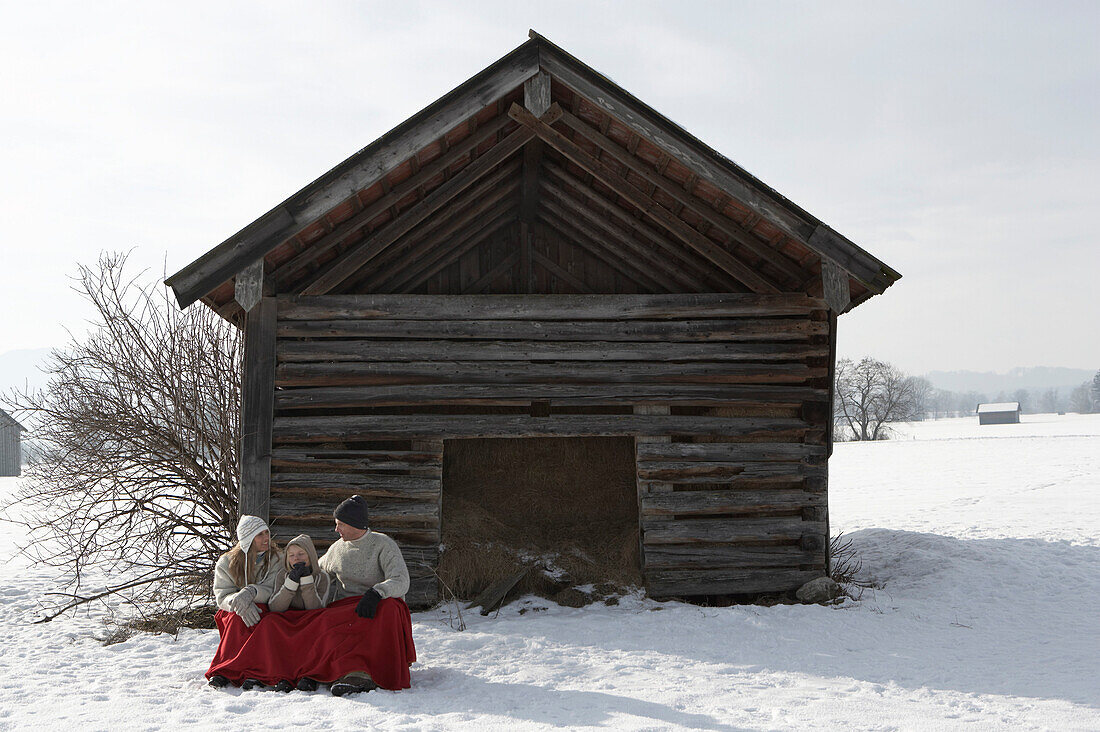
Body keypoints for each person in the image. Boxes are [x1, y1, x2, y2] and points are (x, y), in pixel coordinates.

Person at [318, 495, 412, 696]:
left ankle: (363, 673)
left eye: (340, 524)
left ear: (354, 523)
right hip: (347, 606)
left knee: (389, 609)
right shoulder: (336, 548)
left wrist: (378, 592)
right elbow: (320, 574)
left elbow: (401, 580)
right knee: (323, 618)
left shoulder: (383, 544)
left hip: (376, 604)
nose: (336, 530)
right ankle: (325, 670)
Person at [206, 515, 282, 689]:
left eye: (266, 533)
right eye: (259, 535)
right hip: (233, 609)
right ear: (248, 539)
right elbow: (222, 595)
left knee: (264, 621)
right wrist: (238, 601)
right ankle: (224, 670)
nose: (265, 538)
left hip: (265, 605)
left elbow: (274, 589)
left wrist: (252, 592)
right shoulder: (227, 562)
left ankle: (255, 672)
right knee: (235, 620)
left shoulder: (277, 558)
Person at [267, 533, 332, 692]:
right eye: (292, 555)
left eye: (301, 554)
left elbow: (316, 608)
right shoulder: (282, 575)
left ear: (310, 555)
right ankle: (282, 674)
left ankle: (309, 675)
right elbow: (275, 607)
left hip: (310, 620)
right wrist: (290, 583)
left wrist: (306, 582)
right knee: (270, 622)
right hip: (289, 618)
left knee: (320, 626)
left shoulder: (322, 577)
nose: (296, 558)